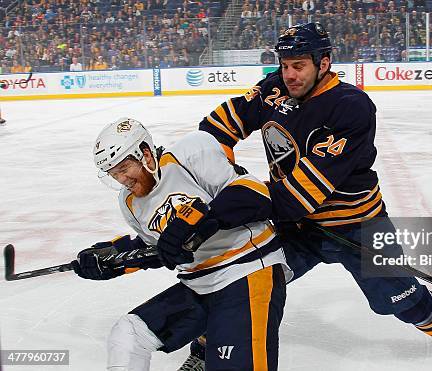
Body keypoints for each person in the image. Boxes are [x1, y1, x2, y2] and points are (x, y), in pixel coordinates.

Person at [189, 22, 432, 369]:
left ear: (324, 63)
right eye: (284, 64)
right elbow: (214, 130)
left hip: (356, 225)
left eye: (299, 65)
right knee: (237, 282)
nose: (289, 74)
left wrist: (239, 201)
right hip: (297, 227)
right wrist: (226, 177)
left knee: (403, 300)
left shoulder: (351, 107)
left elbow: (301, 193)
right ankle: (204, 350)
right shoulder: (274, 89)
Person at [72, 118, 290, 371]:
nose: (122, 180)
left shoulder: (189, 153)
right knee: (128, 335)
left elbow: (255, 194)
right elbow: (162, 249)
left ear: (144, 154)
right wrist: (115, 259)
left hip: (247, 270)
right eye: (114, 174)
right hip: (199, 286)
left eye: (124, 168)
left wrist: (198, 222)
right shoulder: (129, 203)